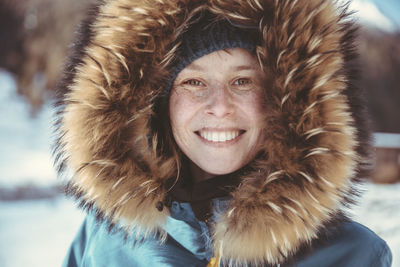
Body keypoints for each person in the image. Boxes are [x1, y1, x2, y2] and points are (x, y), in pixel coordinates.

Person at [55, 0, 392, 266]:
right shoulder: (103, 241)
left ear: (286, 102)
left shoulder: (355, 256)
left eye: (243, 81)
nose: (220, 107)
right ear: (156, 106)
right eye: (193, 82)